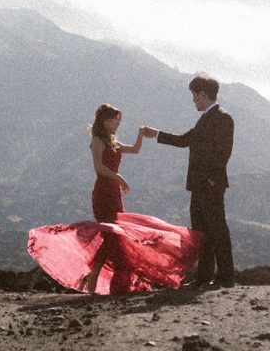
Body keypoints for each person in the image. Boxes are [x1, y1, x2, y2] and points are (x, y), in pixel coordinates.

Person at [27, 104, 202, 295]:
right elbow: (99, 167)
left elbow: (135, 150)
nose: (117, 123)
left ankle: (95, 277)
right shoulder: (97, 141)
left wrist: (141, 135)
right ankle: (93, 276)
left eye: (118, 119)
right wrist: (119, 178)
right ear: (104, 121)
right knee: (111, 234)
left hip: (115, 194)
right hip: (103, 192)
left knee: (116, 237)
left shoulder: (113, 142)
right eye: (114, 119)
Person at [142, 75, 235, 289]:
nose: (193, 100)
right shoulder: (205, 118)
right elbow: (185, 140)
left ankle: (226, 277)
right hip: (198, 185)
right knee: (201, 232)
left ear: (203, 94)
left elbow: (224, 152)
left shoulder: (223, 118)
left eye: (194, 96)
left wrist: (212, 179)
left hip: (210, 185)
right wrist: (155, 134)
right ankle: (204, 277)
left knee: (217, 230)